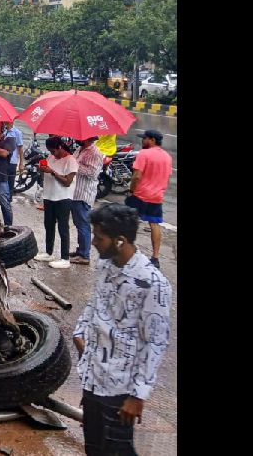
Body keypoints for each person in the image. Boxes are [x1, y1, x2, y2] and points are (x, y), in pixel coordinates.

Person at [73, 203, 172, 456]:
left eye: (99, 237)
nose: (93, 242)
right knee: (94, 448)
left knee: (117, 449)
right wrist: (80, 332)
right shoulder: (105, 266)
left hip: (120, 389)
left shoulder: (152, 283)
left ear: (120, 241)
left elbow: (155, 342)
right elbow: (95, 302)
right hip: (93, 378)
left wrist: (138, 396)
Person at [124, 129, 173, 269]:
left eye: (144, 138)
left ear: (152, 140)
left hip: (140, 194)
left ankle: (128, 252)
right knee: (154, 224)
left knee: (130, 222)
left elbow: (136, 176)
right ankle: (155, 257)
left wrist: (131, 190)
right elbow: (167, 176)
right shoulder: (167, 157)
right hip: (157, 196)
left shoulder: (144, 154)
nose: (142, 140)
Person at [35, 136, 77, 268]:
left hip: (63, 198)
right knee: (49, 225)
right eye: (50, 151)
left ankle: (65, 258)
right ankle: (49, 252)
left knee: (63, 228)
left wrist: (52, 172)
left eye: (53, 151)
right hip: (49, 196)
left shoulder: (70, 160)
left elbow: (67, 182)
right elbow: (46, 173)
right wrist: (41, 169)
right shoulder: (51, 157)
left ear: (59, 147)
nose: (52, 154)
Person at [70, 135, 103, 265]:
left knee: (83, 224)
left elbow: (93, 173)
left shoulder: (95, 153)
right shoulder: (80, 149)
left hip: (84, 194)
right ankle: (80, 250)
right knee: (78, 223)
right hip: (75, 192)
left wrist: (75, 165)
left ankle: (84, 255)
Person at [4, 121, 25, 201]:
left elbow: (20, 149)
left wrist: (21, 163)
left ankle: (8, 201)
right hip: (3, 161)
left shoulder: (17, 133)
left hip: (12, 162)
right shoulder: (3, 131)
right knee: (2, 182)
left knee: (10, 183)